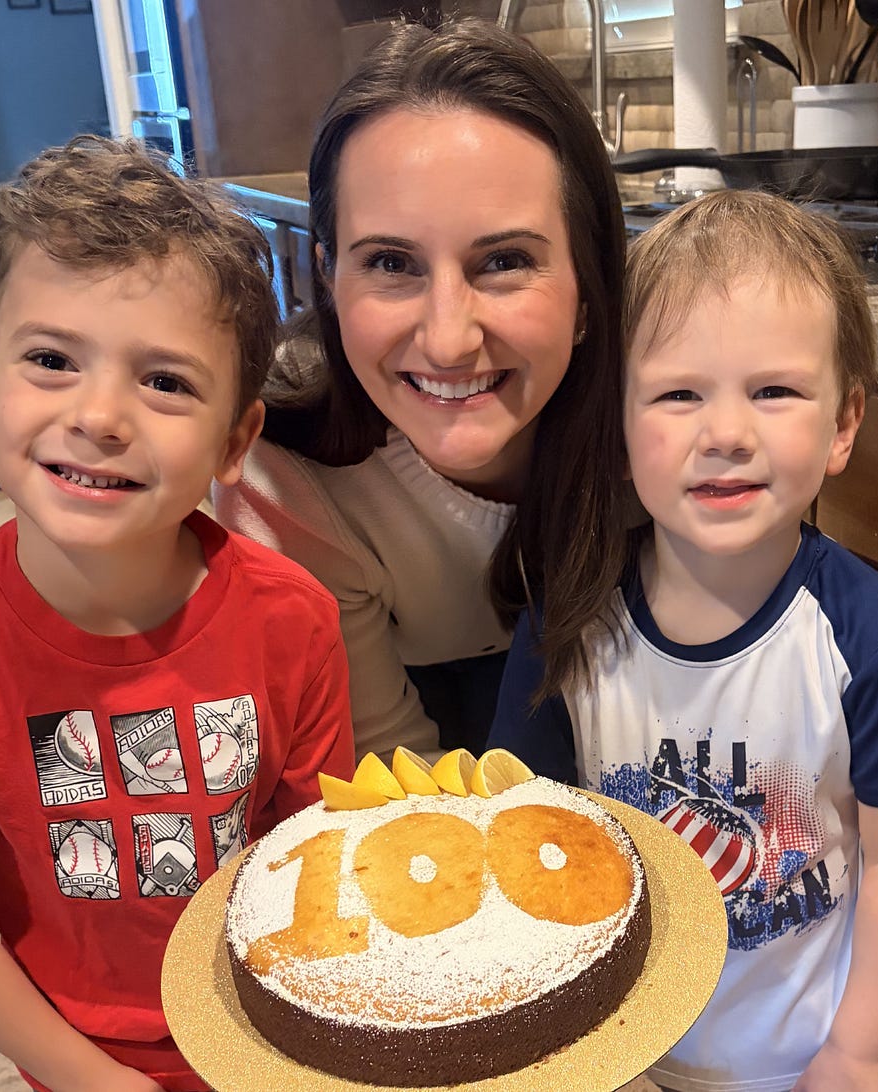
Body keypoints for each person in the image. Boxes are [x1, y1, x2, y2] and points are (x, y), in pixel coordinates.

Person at [0, 136, 354, 1092]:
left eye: (166, 381)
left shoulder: (293, 618)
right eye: (54, 359)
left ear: (236, 440)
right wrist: (84, 1074)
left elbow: (315, 848)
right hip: (80, 1061)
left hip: (275, 1038)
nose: (102, 415)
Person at [489, 189, 878, 1092]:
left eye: (775, 391)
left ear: (844, 424)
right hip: (617, 1055)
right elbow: (525, 844)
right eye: (678, 394)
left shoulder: (873, 640)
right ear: (620, 431)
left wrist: (859, 1051)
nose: (727, 435)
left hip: (802, 1061)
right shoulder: (569, 626)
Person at [213, 17, 627, 761]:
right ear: (328, 279)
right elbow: (395, 786)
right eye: (391, 263)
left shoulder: (669, 429)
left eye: (502, 260)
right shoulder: (282, 472)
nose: (448, 339)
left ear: (589, 289)